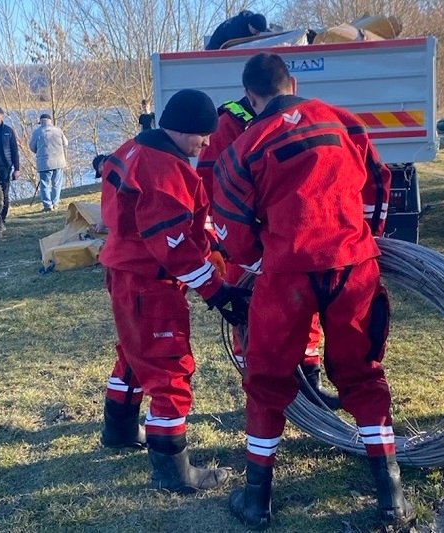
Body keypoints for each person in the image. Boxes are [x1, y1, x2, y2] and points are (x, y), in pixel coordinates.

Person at [212, 53, 414, 530]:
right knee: (363, 374)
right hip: (353, 266)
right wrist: (365, 238)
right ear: (293, 82)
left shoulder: (246, 144)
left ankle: (256, 499)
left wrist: (258, 251)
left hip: (287, 274)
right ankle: (392, 498)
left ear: (251, 97)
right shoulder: (342, 120)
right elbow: (379, 187)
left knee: (265, 382)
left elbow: (232, 229)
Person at [98, 88, 250, 494]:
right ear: (184, 130)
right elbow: (172, 244)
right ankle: (173, 471)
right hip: (149, 280)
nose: (206, 144)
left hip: (124, 270)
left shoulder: (134, 147)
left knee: (133, 354)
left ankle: (120, 430)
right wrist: (218, 292)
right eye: (203, 135)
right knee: (169, 367)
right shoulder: (164, 167)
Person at [197, 96, 340, 410]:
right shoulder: (228, 125)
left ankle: (310, 386)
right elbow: (209, 189)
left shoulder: (299, 116)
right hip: (245, 241)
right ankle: (256, 389)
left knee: (305, 307)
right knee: (250, 313)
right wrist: (233, 242)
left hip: (289, 239)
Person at [29, 113, 69, 212]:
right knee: (57, 184)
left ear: (41, 122)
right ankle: (55, 203)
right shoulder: (58, 130)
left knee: (44, 184)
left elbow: (32, 147)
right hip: (59, 161)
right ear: (50, 121)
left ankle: (47, 205)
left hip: (44, 162)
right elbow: (66, 143)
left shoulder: (37, 132)